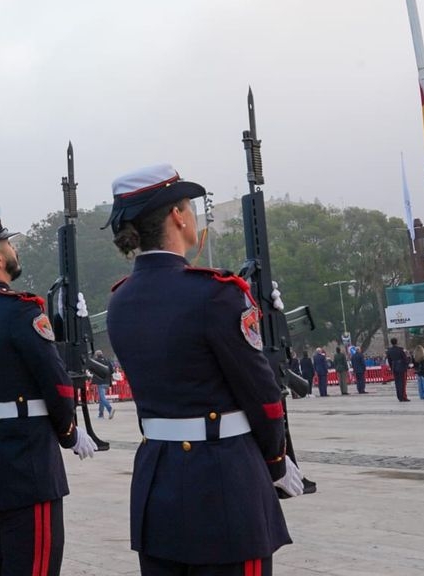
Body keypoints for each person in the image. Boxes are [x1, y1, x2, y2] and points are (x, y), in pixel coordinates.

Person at [105, 164, 296, 576]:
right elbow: (262, 395)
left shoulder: (120, 301)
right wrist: (277, 462)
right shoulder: (216, 294)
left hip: (158, 485)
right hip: (227, 487)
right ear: (177, 215)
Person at [0, 205, 95, 576]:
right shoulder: (20, 311)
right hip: (26, 465)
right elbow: (56, 381)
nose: (15, 251)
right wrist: (70, 432)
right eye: (9, 246)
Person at [91, 349, 116, 418]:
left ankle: (110, 409)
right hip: (107, 382)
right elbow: (112, 371)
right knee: (101, 398)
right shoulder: (107, 361)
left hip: (100, 382)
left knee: (102, 398)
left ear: (96, 355)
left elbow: (93, 371)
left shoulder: (95, 361)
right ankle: (101, 414)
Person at [386, 338, 410, 402]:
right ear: (397, 342)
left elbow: (389, 361)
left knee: (397, 383)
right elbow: (405, 359)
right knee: (403, 383)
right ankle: (403, 396)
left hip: (394, 367)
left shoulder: (389, 351)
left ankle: (399, 396)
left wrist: (392, 368)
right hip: (401, 367)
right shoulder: (400, 349)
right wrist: (407, 364)